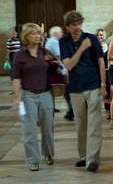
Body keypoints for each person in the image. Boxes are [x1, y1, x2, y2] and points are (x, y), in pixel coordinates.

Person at [59, 11, 107, 172]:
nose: (77, 27)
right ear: (67, 27)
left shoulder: (91, 38)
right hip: (76, 87)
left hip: (93, 85)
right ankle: (84, 156)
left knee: (94, 123)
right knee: (81, 124)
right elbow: (69, 65)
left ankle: (92, 160)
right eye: (73, 25)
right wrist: (81, 48)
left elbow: (101, 63)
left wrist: (103, 85)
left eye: (79, 23)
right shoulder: (64, 42)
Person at [12, 23, 56, 171]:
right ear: (26, 37)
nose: (37, 36)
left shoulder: (45, 52)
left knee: (48, 127)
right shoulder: (20, 55)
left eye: (38, 33)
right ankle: (33, 159)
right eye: (33, 34)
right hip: (28, 95)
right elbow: (16, 77)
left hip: (45, 93)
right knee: (29, 129)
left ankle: (48, 154)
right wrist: (17, 97)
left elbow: (57, 68)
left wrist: (51, 61)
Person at [45, 26, 74, 119]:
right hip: (59, 70)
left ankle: (70, 111)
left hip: (60, 69)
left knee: (67, 91)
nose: (62, 33)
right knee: (68, 91)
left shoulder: (53, 41)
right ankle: (71, 111)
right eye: (60, 32)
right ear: (55, 33)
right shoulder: (53, 42)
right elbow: (60, 55)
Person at [96, 28, 111, 119]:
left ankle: (108, 112)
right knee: (97, 93)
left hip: (107, 72)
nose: (99, 37)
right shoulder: (94, 46)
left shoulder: (107, 46)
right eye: (98, 35)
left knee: (108, 92)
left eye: (101, 35)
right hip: (97, 73)